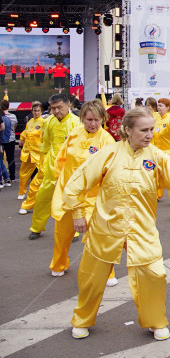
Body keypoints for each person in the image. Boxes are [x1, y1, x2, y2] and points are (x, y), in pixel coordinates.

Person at [63, 107, 170, 340]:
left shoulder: (157, 157)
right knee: (91, 277)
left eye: (152, 129)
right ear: (127, 130)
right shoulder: (109, 153)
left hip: (142, 228)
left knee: (154, 275)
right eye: (144, 130)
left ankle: (155, 320)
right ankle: (83, 318)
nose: (150, 134)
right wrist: (77, 213)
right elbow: (79, 179)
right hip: (105, 226)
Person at [49, 101, 116, 277]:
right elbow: (62, 158)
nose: (93, 124)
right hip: (68, 193)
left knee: (97, 236)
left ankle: (107, 273)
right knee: (62, 234)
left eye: (97, 119)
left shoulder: (106, 140)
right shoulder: (74, 134)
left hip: (92, 197)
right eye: (89, 119)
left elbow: (110, 172)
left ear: (103, 119)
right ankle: (58, 263)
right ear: (82, 118)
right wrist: (59, 178)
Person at [28, 93, 80, 239]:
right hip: (51, 167)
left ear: (68, 104)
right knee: (42, 198)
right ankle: (36, 228)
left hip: (69, 168)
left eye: (59, 107)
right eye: (53, 108)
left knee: (70, 200)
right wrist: (42, 163)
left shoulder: (76, 123)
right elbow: (46, 144)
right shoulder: (49, 121)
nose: (56, 111)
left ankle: (73, 230)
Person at [18, 101, 46, 206]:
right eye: (35, 110)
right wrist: (22, 139)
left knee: (42, 173)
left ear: (41, 112)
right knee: (23, 172)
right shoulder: (29, 122)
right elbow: (25, 132)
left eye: (38, 110)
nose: (36, 112)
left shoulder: (44, 122)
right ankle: (22, 191)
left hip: (38, 152)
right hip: (28, 152)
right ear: (32, 111)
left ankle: (42, 193)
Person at [0, 100, 17, 187]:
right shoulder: (13, 116)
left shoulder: (2, 117)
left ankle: (3, 178)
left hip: (2, 140)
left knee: (1, 159)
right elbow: (14, 127)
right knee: (11, 158)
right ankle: (12, 177)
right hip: (11, 139)